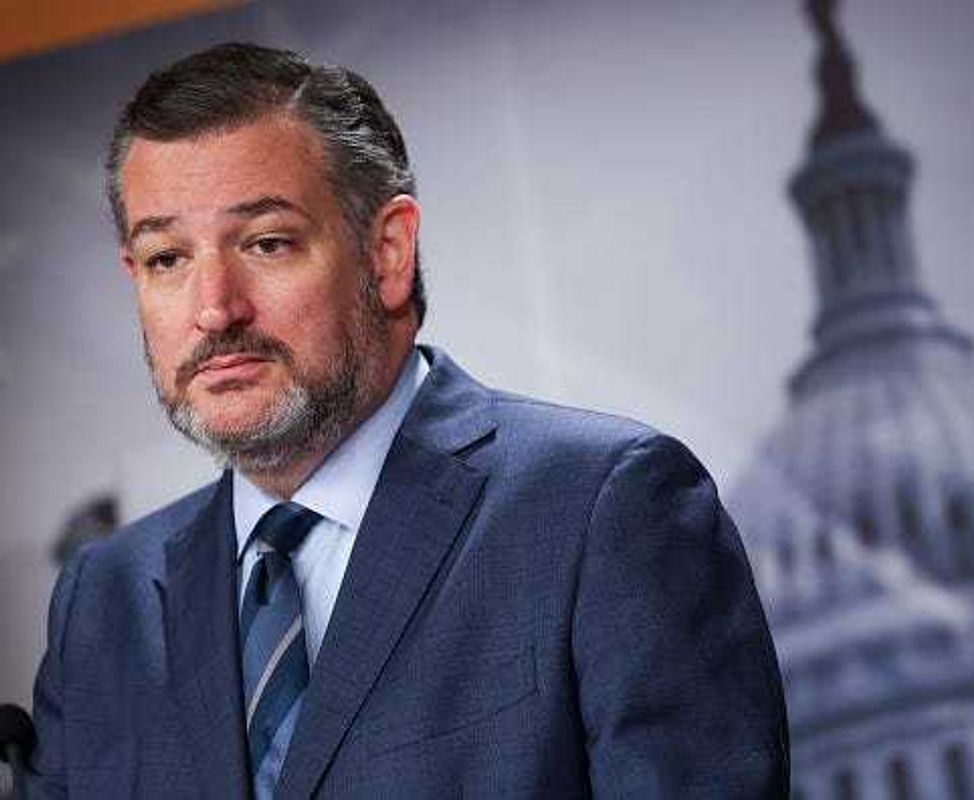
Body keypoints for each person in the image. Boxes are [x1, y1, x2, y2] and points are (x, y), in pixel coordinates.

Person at [27, 42, 789, 799]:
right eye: (167, 259)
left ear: (388, 252)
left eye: (267, 243)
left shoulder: (602, 508)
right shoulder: (103, 597)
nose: (215, 309)